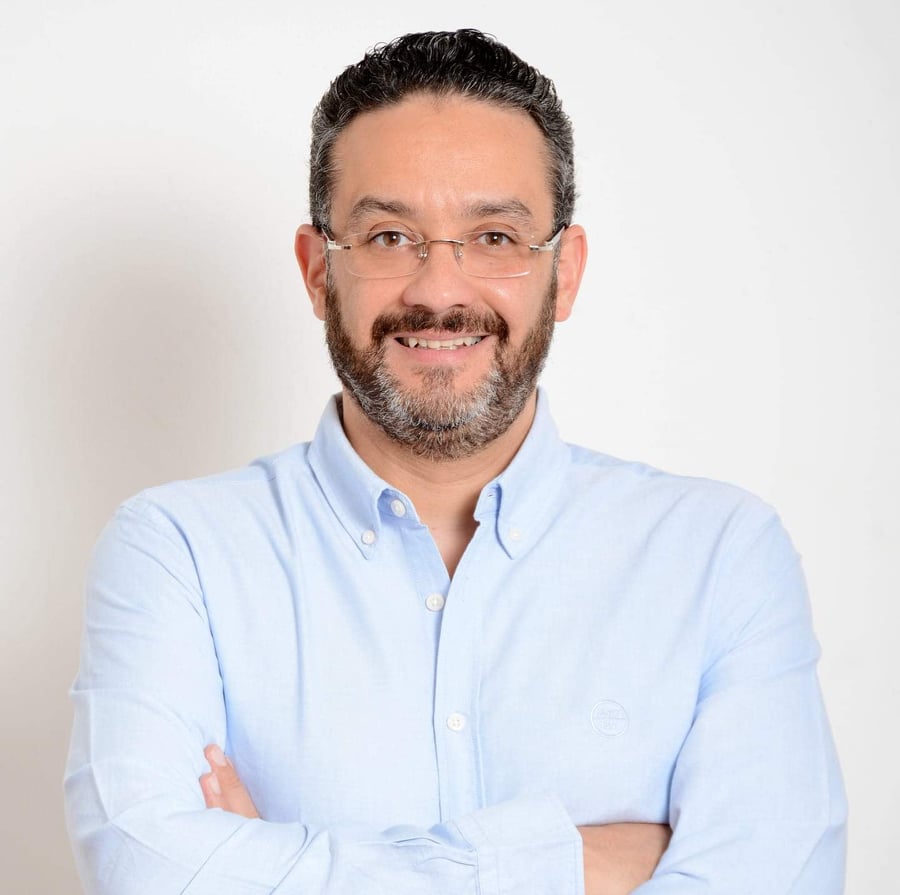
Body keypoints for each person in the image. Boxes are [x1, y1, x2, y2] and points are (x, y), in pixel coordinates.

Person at [64, 28, 847, 895]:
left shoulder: (721, 554)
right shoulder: (177, 552)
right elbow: (146, 873)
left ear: (565, 273)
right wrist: (574, 863)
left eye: (496, 236)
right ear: (318, 272)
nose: (439, 290)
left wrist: (273, 867)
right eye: (389, 236)